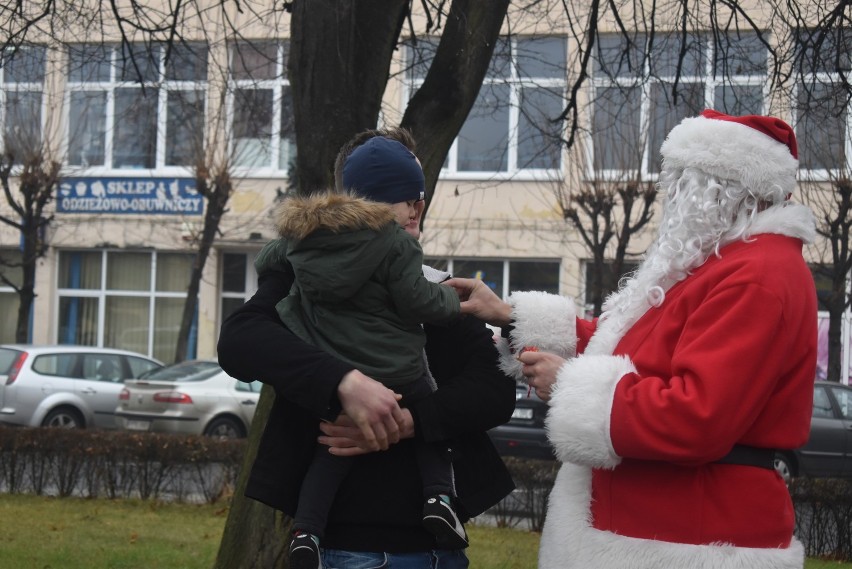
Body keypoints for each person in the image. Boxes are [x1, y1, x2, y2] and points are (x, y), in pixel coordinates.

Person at [449, 109, 818, 569]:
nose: (675, 197)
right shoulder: (728, 264)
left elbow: (696, 416)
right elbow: (635, 354)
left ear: (721, 187)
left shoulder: (757, 275)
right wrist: (509, 314)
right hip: (663, 529)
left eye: (685, 182)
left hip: (690, 540)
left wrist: (569, 384)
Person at [217, 127, 516, 569]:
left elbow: (495, 391)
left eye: (412, 196)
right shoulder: (301, 280)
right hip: (341, 546)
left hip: (435, 551)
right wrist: (342, 382)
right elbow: (238, 341)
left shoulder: (437, 287)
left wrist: (407, 421)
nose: (413, 208)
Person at [265, 136, 468, 567]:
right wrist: (452, 304)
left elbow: (270, 258)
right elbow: (419, 301)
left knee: (331, 450)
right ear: (400, 203)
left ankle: (306, 532)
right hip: (400, 369)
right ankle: (440, 499)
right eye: (412, 199)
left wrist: (283, 266)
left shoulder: (303, 244)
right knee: (432, 419)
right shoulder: (397, 245)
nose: (416, 208)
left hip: (341, 373)